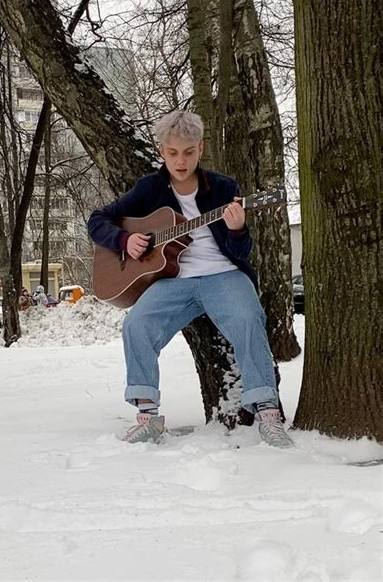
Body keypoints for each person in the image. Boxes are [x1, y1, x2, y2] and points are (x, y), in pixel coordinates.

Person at [87, 110, 293, 448]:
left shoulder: (224, 188)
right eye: (172, 153)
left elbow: (240, 252)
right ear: (161, 152)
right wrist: (125, 241)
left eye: (188, 152)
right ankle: (148, 417)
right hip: (173, 280)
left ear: (200, 149)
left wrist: (238, 227)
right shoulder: (150, 189)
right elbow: (99, 219)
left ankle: (268, 414)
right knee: (136, 325)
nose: (180, 161)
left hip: (223, 275)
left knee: (248, 318)